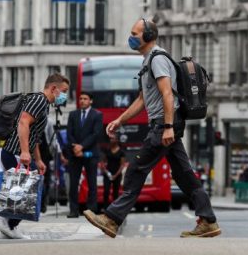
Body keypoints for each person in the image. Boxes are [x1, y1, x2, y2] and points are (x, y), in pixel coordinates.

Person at [83, 18, 221, 238]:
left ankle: (111, 219)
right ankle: (208, 221)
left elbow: (167, 93)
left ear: (148, 36)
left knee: (137, 169)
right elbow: (142, 100)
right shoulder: (148, 61)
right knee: (184, 174)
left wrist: (167, 126)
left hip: (164, 125)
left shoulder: (157, 59)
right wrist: (120, 120)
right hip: (167, 124)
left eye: (134, 33)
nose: (131, 37)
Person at [0, 73, 70, 240]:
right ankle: (4, 220)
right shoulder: (39, 100)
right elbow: (23, 123)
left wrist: (38, 159)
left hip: (17, 152)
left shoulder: (43, 104)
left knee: (23, 189)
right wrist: (25, 152)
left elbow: (34, 136)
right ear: (53, 88)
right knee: (31, 189)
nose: (65, 96)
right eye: (64, 91)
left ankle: (8, 227)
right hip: (15, 152)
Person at [63, 91, 103, 217]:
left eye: (85, 99)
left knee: (92, 183)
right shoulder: (73, 114)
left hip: (90, 154)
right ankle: (73, 210)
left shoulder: (97, 115)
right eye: (80, 99)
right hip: (75, 154)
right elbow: (69, 133)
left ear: (91, 101)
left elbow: (96, 134)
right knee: (74, 184)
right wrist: (75, 147)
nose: (82, 101)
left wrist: (82, 147)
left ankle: (91, 210)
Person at [100, 137, 126, 210]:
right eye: (111, 139)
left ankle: (114, 209)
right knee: (106, 191)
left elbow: (122, 165)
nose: (112, 140)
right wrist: (105, 171)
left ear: (117, 140)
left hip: (117, 174)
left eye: (113, 139)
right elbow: (103, 161)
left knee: (115, 192)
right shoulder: (107, 150)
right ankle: (105, 208)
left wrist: (116, 175)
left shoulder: (121, 152)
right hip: (108, 173)